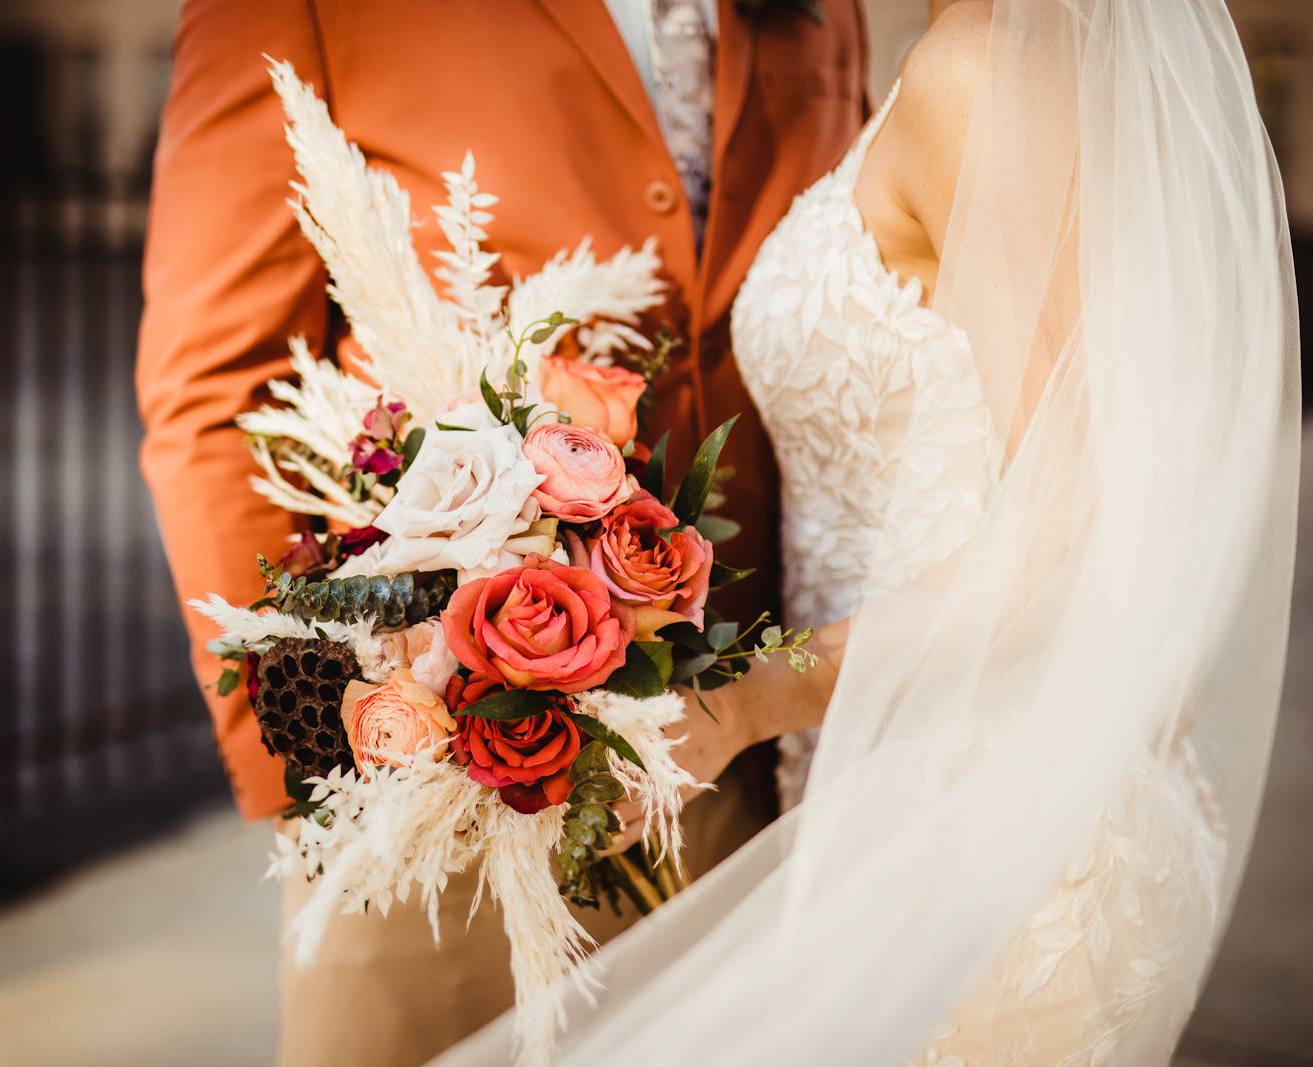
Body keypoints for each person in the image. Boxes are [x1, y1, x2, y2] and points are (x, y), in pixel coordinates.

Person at [439, 0, 1299, 1062]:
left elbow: (1077, 540)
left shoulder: (985, 67)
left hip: (986, 818)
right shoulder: (970, 53)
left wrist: (742, 701)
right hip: (901, 776)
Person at [134, 2, 871, 1063]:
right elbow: (212, 392)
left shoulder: (820, 11)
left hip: (751, 765)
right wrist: (316, 745)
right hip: (441, 779)